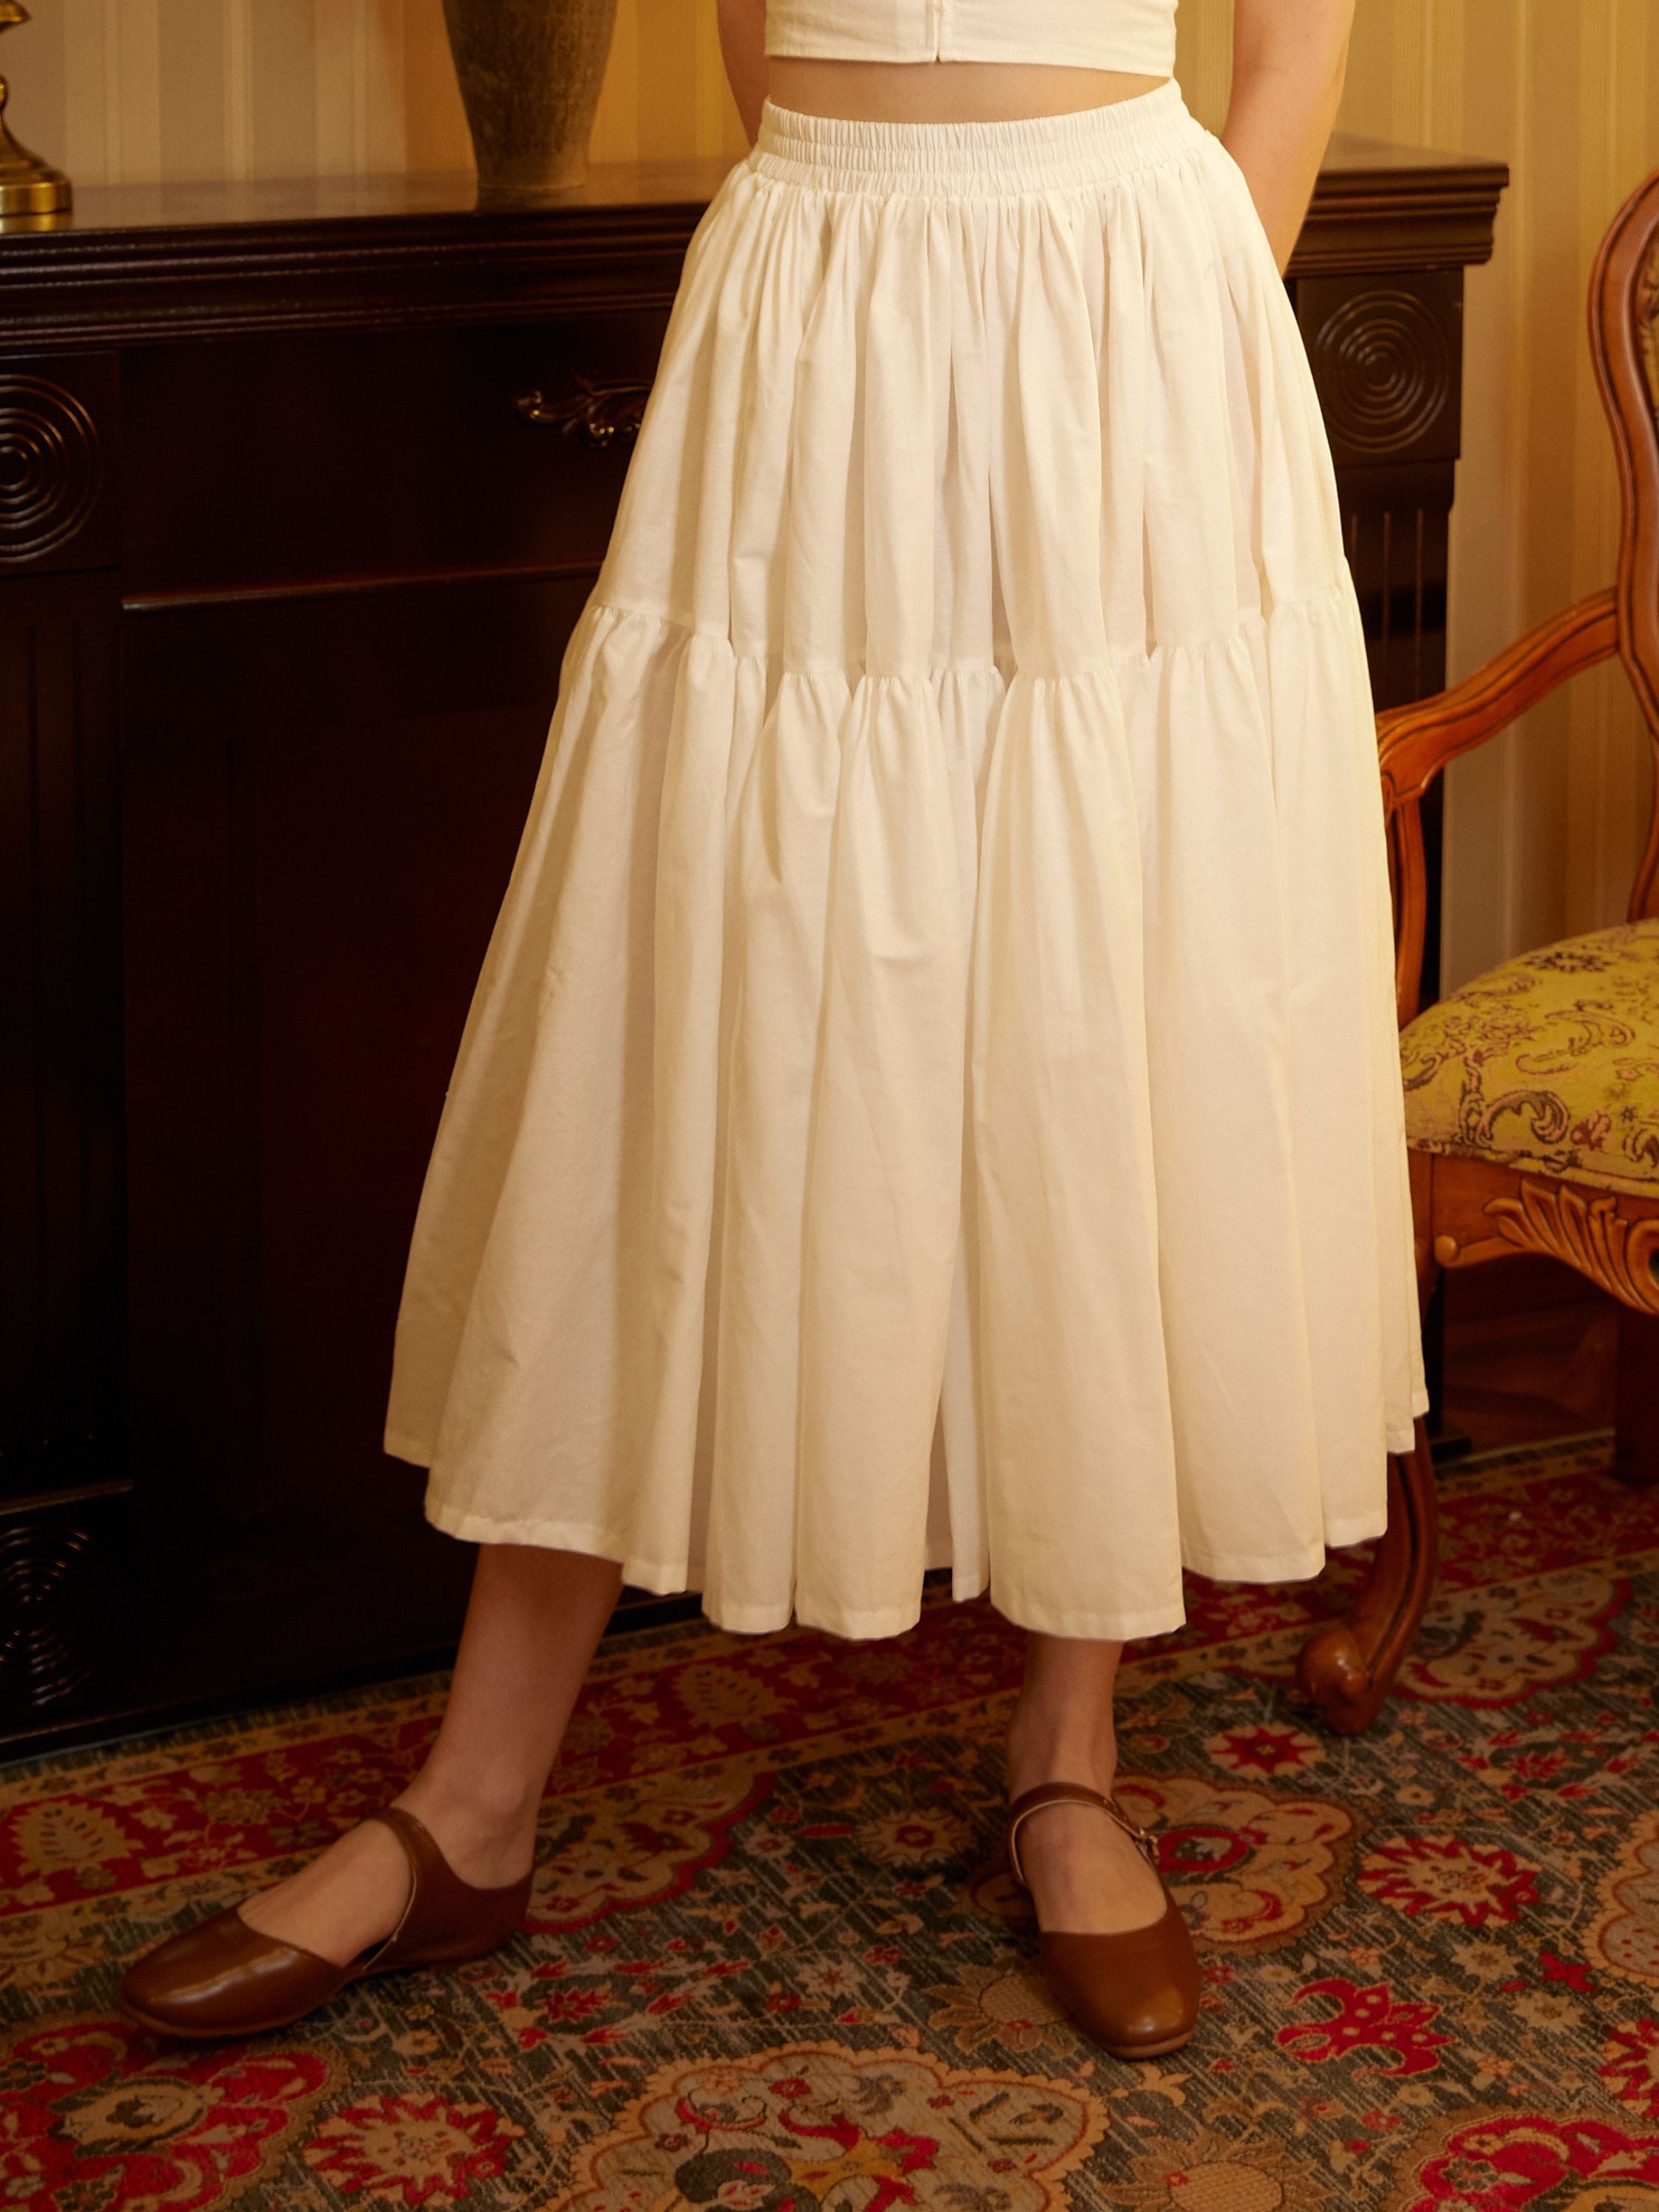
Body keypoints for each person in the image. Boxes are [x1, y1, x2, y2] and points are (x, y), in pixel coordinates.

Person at [119, 0, 1425, 2060]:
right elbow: (757, 37)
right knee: (673, 999)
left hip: (1135, 315)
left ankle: (1067, 1756)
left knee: (1094, 989)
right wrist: (870, 224)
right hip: (812, 292)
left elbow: (1292, 57)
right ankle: (473, 1806)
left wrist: (1175, 352)